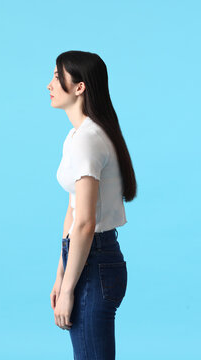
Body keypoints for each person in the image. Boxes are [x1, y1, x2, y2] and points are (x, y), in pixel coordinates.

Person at [47, 50, 137, 360]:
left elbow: (85, 222)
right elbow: (72, 212)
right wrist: (61, 276)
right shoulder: (76, 136)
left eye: (57, 78)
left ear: (80, 87)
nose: (50, 85)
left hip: (94, 262)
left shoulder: (88, 139)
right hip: (86, 258)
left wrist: (70, 287)